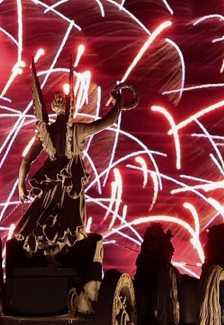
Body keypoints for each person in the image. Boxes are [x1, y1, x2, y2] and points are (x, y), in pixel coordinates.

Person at [14, 59, 135, 257]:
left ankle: (47, 249)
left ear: (54, 109)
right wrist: (118, 102)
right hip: (71, 184)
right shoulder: (77, 130)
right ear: (70, 109)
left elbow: (26, 160)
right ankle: (65, 250)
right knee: (70, 221)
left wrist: (21, 185)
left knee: (43, 216)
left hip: (50, 184)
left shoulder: (45, 132)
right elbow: (108, 121)